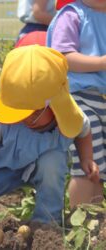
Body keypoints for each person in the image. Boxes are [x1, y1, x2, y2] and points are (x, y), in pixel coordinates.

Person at [0, 45, 98, 230]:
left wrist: (87, 158)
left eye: (33, 114)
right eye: (18, 113)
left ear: (54, 105)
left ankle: (46, 226)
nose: (25, 119)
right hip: (0, 168)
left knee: (53, 162)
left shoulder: (69, 115)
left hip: (44, 167)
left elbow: (84, 132)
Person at [47, 0, 106, 208]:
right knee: (87, 163)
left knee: (100, 168)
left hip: (101, 98)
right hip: (78, 94)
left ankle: (95, 223)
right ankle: (80, 220)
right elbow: (63, 57)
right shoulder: (72, 15)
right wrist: (101, 62)